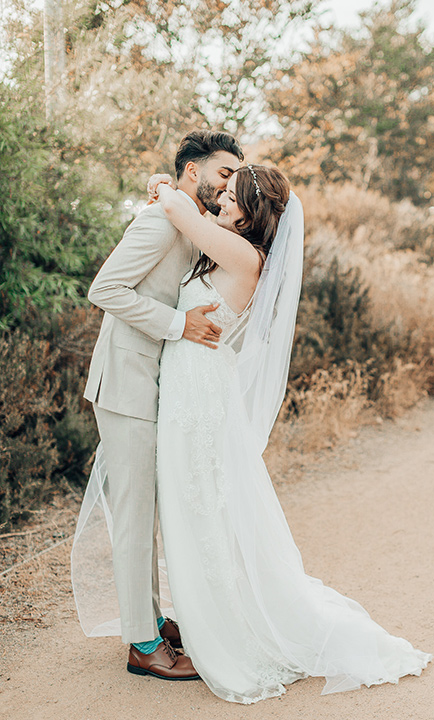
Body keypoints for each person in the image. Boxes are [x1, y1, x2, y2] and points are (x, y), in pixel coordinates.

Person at [145, 165, 433, 703]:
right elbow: (190, 215)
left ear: (252, 213)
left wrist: (162, 182)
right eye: (223, 196)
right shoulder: (228, 245)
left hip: (201, 398)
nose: (221, 203)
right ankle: (201, 613)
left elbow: (179, 209)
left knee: (202, 510)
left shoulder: (244, 256)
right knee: (197, 509)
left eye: (231, 198)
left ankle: (222, 629)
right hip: (192, 389)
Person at [71, 130, 244, 681]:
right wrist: (178, 325)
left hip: (157, 388)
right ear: (193, 172)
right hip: (126, 384)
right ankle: (143, 644)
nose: (227, 184)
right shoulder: (158, 220)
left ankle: (150, 618)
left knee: (147, 511)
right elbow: (106, 289)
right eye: (222, 173)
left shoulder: (190, 219)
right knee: (135, 518)